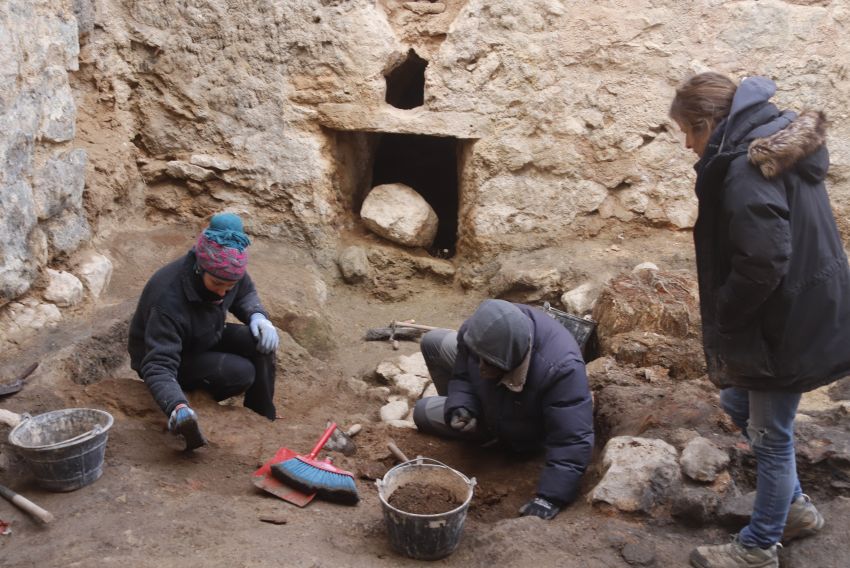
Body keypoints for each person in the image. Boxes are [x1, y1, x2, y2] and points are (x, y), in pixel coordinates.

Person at [670, 73, 850, 568]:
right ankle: (793, 510)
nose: (687, 143)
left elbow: (763, 261)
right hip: (805, 308)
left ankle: (758, 547)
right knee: (739, 401)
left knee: (772, 436)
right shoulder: (771, 149)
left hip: (785, 323)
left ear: (709, 123)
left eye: (690, 131)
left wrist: (726, 311)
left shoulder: (748, 169)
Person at [413, 299, 594, 520]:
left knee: (422, 411)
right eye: (478, 358)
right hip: (492, 399)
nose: (480, 369)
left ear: (511, 361)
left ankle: (493, 439)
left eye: (488, 363)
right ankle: (467, 420)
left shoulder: (562, 370)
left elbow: (573, 439)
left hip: (523, 427)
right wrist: (461, 405)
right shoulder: (479, 329)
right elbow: (463, 374)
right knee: (433, 342)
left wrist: (550, 497)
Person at [128, 212, 280, 451]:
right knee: (241, 372)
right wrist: (176, 406)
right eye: (218, 284)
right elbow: (157, 364)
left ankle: (261, 416)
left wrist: (258, 316)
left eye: (228, 286)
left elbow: (244, 293)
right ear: (200, 268)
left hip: (204, 335)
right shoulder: (168, 299)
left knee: (258, 341)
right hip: (170, 356)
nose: (223, 292)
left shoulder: (227, 268)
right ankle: (195, 399)